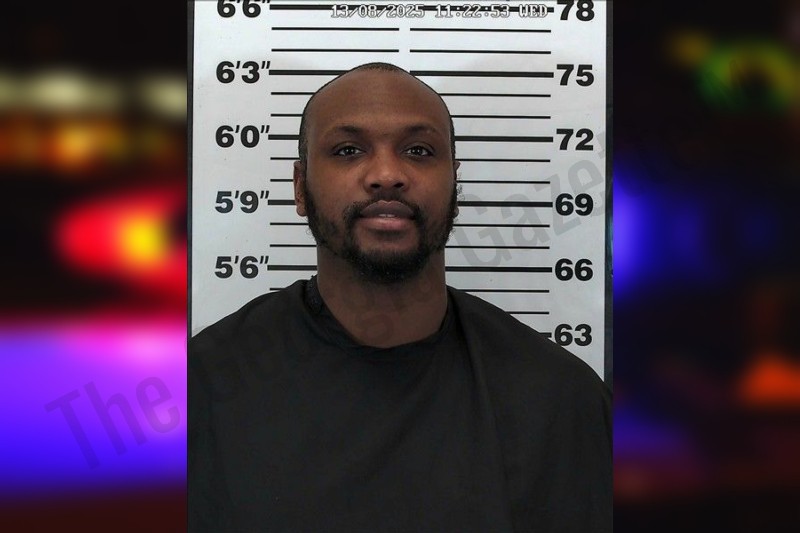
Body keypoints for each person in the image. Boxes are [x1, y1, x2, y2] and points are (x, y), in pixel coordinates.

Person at [189, 62, 611, 532]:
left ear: (455, 187)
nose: (387, 174)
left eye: (418, 150)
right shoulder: (203, 388)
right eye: (348, 150)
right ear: (300, 188)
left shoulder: (560, 401)